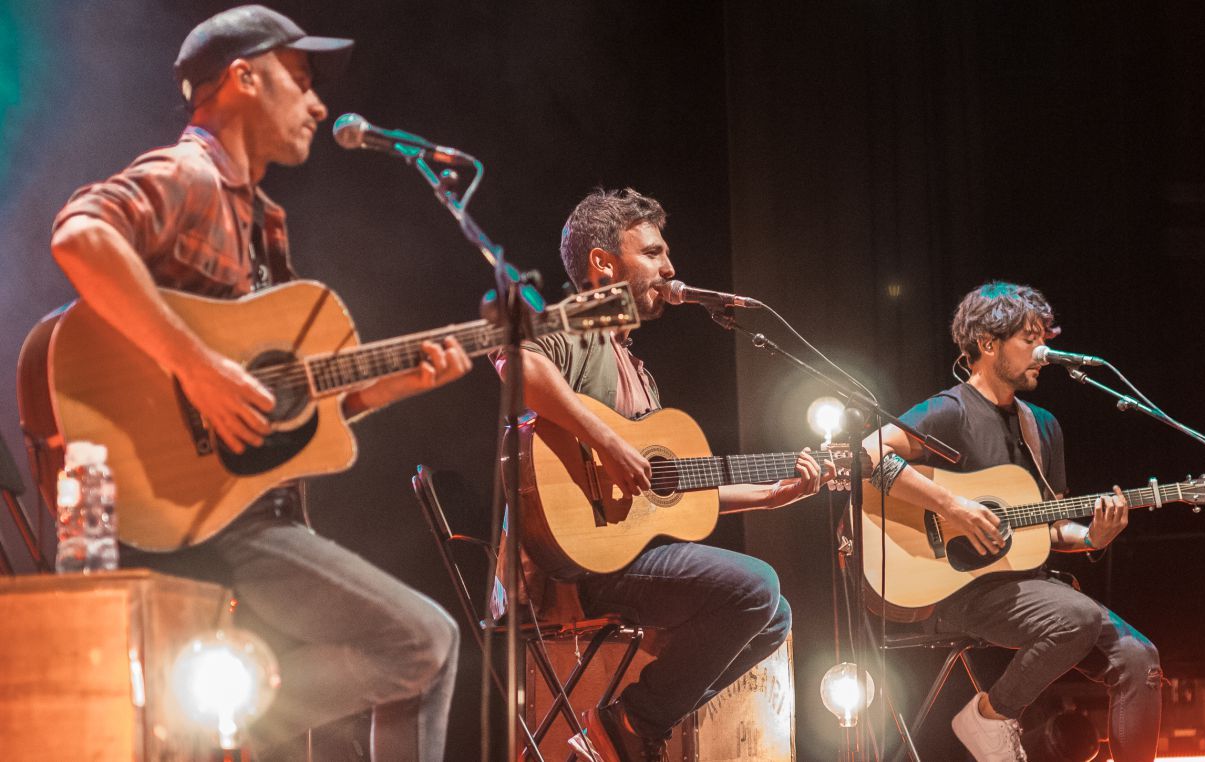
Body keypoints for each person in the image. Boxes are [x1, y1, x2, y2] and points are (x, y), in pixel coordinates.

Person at [47, 6, 465, 758]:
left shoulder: (263, 220)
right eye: (302, 80)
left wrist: (384, 390)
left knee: (405, 660)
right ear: (243, 77)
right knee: (422, 645)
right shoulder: (190, 173)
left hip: (243, 505)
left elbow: (275, 416)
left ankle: (217, 725)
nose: (319, 104)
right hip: (212, 522)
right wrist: (197, 367)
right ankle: (201, 732)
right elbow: (81, 235)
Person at [499, 187, 827, 761]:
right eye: (651, 252)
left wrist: (770, 499)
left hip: (624, 552)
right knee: (757, 586)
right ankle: (631, 721)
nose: (670, 268)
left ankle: (630, 724)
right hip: (581, 562)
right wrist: (606, 440)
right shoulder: (580, 326)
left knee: (774, 618)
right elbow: (514, 362)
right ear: (604, 264)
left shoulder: (639, 373)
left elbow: (666, 493)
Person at [861, 281, 1163, 762]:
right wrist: (952, 506)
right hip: (958, 587)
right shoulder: (948, 411)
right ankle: (992, 715)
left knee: (1139, 659)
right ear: (987, 343)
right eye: (1030, 338)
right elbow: (872, 453)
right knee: (1078, 614)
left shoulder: (1041, 424)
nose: (1043, 352)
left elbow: (1048, 524)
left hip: (1030, 586)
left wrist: (1092, 536)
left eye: (1045, 338)